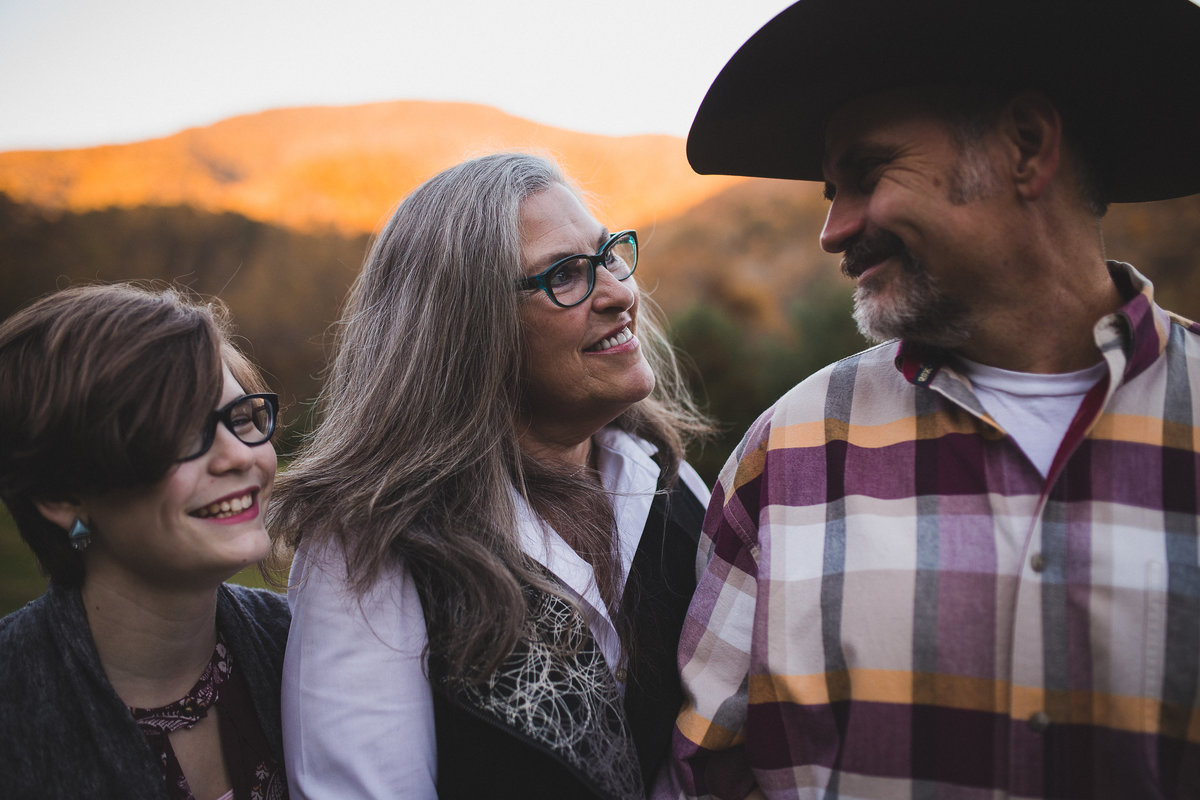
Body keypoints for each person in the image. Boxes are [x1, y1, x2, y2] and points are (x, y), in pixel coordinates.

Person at [663, 0, 1200, 798]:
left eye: (868, 175)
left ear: (1025, 147)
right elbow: (706, 775)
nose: (834, 231)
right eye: (829, 193)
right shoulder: (788, 455)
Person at [272, 152, 712, 799]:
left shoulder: (674, 489)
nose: (619, 292)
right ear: (465, 330)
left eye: (610, 254)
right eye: (566, 275)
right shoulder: (374, 551)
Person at [0, 283, 290, 800]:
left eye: (241, 418)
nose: (241, 456)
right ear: (62, 494)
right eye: (180, 431)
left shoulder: (302, 650)